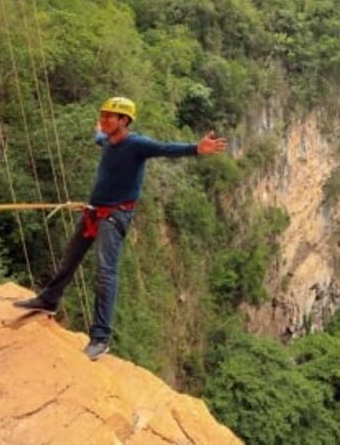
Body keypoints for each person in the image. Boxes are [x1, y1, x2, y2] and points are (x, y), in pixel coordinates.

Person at [14, 96, 227, 359]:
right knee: (69, 258)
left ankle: (100, 338)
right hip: (94, 211)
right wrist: (98, 130)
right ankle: (49, 300)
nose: (103, 120)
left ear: (124, 120)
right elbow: (99, 138)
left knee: (105, 273)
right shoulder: (108, 141)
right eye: (102, 116)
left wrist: (196, 148)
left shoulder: (136, 144)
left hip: (114, 216)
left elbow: (164, 148)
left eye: (109, 117)